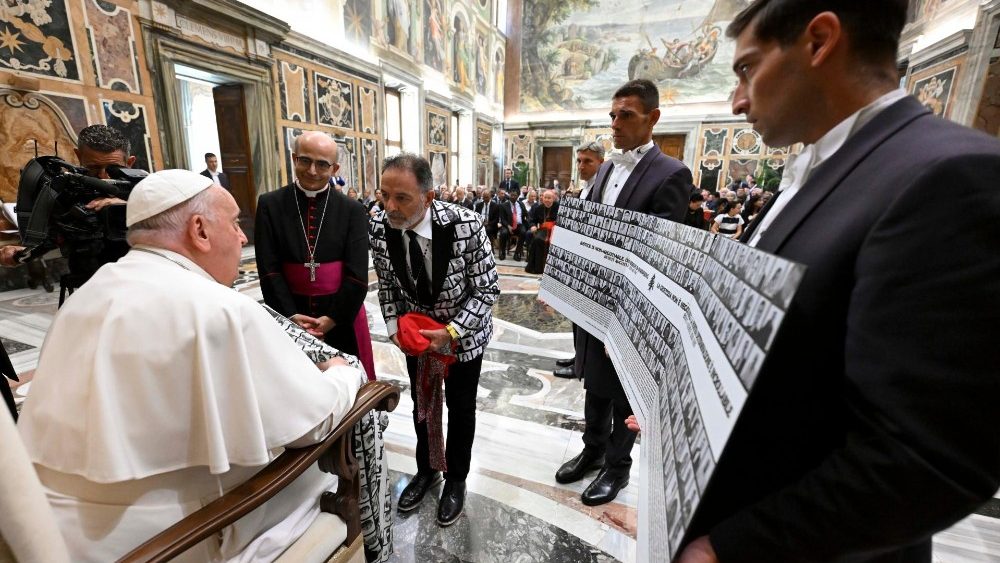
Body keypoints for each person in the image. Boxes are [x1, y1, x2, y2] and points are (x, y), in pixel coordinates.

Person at [677, 2, 1000, 562]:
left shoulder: (950, 174)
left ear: (820, 41)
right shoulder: (823, 169)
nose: (737, 100)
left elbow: (925, 458)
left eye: (747, 68)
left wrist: (730, 547)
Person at [17, 169, 365, 562]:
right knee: (328, 471)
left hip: (63, 534)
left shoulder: (85, 296)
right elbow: (313, 422)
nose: (242, 238)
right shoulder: (222, 310)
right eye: (234, 223)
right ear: (199, 230)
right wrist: (342, 373)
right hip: (183, 536)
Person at [557, 79, 693, 506]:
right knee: (594, 383)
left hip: (632, 308)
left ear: (653, 118)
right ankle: (593, 450)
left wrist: (628, 310)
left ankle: (617, 468)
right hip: (594, 302)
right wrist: (564, 284)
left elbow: (659, 253)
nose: (615, 124)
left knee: (623, 390)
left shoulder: (672, 173)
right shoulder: (606, 169)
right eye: (612, 115)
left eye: (626, 116)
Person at [370, 153, 499, 527]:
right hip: (417, 339)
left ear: (428, 197)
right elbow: (388, 285)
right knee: (422, 405)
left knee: (461, 407)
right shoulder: (379, 226)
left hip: (463, 338)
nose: (390, 207)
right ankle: (427, 470)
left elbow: (487, 289)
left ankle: (456, 479)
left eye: (402, 198)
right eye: (385, 195)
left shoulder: (465, 225)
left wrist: (452, 332)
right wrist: (393, 328)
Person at [255, 131, 374, 379]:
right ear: (294, 158)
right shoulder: (270, 204)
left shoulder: (352, 209)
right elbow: (268, 269)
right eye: (305, 161)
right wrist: (289, 316)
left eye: (322, 164)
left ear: (335, 168)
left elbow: (357, 275)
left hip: (340, 316)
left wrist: (332, 318)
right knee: (294, 380)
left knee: (345, 381)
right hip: (290, 311)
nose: (312, 170)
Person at [0, 125, 134, 277]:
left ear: (130, 162)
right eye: (94, 168)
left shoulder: (146, 189)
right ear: (78, 156)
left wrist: (130, 206)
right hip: (87, 278)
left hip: (139, 276)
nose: (103, 176)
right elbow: (54, 236)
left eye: (113, 168)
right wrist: (23, 252)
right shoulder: (70, 191)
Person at [523, 189, 559, 275]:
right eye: (545, 197)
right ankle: (538, 268)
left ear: (553, 198)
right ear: (542, 198)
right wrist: (533, 225)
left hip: (556, 230)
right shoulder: (538, 208)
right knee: (537, 240)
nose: (547, 200)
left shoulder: (559, 207)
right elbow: (531, 219)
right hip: (543, 230)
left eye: (549, 198)